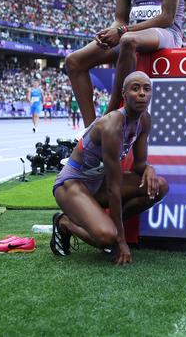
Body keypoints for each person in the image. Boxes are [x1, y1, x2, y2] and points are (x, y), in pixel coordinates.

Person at [50, 71, 168, 265]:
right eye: (135, 88)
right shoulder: (112, 126)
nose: (142, 94)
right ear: (124, 94)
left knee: (159, 186)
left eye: (147, 89)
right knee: (107, 238)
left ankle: (105, 225)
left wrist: (150, 169)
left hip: (99, 182)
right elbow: (114, 187)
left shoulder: (144, 120)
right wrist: (120, 240)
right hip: (72, 184)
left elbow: (139, 165)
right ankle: (64, 223)